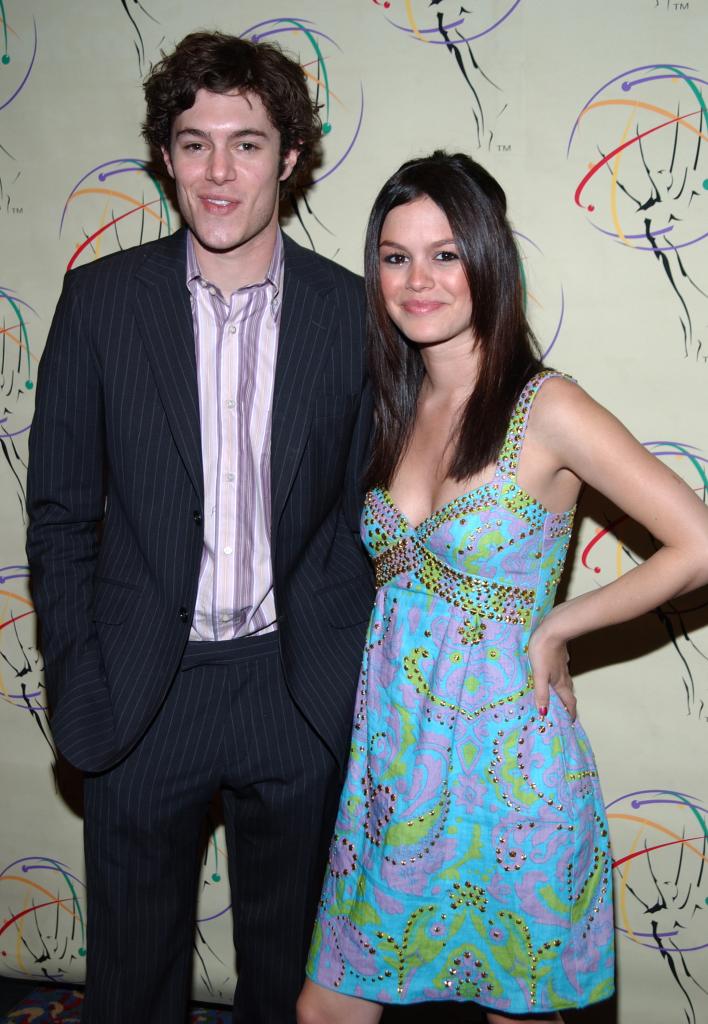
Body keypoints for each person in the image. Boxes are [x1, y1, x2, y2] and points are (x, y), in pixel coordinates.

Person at [297, 151, 708, 1023]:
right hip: (396, 769)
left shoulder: (545, 406)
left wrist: (558, 627)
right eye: (396, 256)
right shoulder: (393, 403)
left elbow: (698, 543)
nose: (418, 280)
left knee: (511, 1014)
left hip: (508, 775)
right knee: (327, 1006)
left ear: (488, 259)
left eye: (445, 254)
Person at [26, 31, 374, 1024]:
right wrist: (79, 673)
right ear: (166, 156)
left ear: (291, 158)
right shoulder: (99, 305)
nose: (219, 172)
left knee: (290, 985)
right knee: (132, 987)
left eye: (248, 143)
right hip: (143, 689)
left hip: (293, 691)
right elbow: (58, 516)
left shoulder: (352, 316)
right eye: (194, 142)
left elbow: (371, 516)